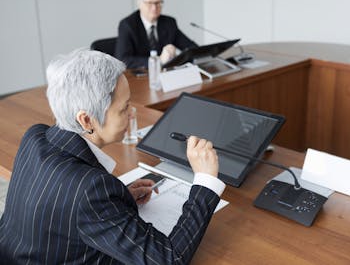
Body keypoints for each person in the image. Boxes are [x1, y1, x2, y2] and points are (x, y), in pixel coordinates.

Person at [0, 49, 225, 264]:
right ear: (86, 120)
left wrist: (116, 202)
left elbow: (59, 201)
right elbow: (169, 259)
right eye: (124, 107)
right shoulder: (90, 192)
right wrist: (205, 182)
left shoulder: (36, 135)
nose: (131, 113)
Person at [116, 0, 198, 69]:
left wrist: (178, 57)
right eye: (149, 3)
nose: (154, 8)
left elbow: (190, 48)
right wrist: (158, 60)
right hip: (140, 76)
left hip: (165, 74)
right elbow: (123, 60)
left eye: (158, 3)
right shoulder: (127, 25)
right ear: (139, 3)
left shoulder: (169, 22)